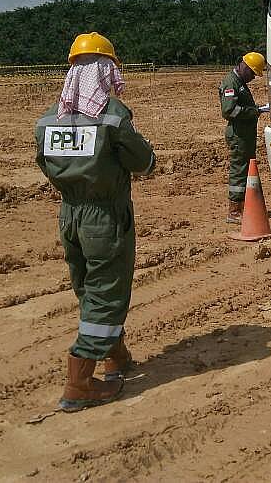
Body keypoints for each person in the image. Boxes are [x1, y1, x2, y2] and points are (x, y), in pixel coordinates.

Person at [35, 32, 156, 412]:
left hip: (69, 215)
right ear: (106, 70)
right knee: (106, 291)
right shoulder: (112, 116)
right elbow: (143, 163)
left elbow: (45, 165)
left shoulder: (47, 120)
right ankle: (80, 382)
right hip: (104, 217)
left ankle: (115, 356)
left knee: (90, 287)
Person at [219, 51, 267, 223]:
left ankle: (245, 206)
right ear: (245, 67)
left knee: (246, 169)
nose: (253, 77)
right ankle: (234, 211)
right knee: (239, 171)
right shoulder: (231, 83)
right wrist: (254, 111)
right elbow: (229, 110)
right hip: (238, 135)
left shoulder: (239, 82)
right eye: (253, 73)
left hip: (244, 135)